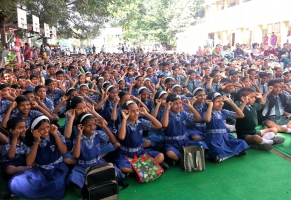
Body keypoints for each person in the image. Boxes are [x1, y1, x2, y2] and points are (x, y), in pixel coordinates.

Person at [8, 116, 68, 199]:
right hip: (40, 170)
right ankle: (47, 190)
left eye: (48, 127)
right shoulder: (30, 139)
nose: (46, 131)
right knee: (15, 182)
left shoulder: (55, 134)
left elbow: (64, 151)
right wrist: (36, 142)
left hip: (58, 168)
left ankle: (41, 190)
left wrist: (55, 135)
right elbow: (29, 163)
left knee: (57, 183)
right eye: (42, 129)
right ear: (34, 131)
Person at [67, 112, 121, 196]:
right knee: (74, 178)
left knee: (116, 171)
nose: (92, 128)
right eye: (88, 126)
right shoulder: (78, 138)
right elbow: (76, 155)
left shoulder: (98, 134)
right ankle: (96, 183)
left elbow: (114, 141)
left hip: (98, 162)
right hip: (82, 166)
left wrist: (104, 126)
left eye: (94, 125)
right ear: (81, 127)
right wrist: (79, 135)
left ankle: (93, 183)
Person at [114, 100, 168, 173]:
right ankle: (149, 167)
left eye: (137, 110)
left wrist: (146, 114)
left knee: (160, 156)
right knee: (123, 166)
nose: (136, 113)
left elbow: (159, 125)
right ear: (126, 112)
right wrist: (124, 118)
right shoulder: (123, 124)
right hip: (125, 153)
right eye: (132, 111)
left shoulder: (140, 122)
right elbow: (121, 137)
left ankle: (138, 171)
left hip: (139, 152)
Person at [161, 94, 208, 164]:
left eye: (180, 103)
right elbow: (164, 125)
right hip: (171, 143)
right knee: (170, 153)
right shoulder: (166, 115)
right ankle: (184, 159)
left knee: (201, 144)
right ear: (169, 105)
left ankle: (178, 159)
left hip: (184, 141)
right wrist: (167, 109)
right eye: (175, 104)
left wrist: (190, 106)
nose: (179, 105)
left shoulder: (183, 114)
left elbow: (198, 119)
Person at [204, 92, 249, 163]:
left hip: (225, 137)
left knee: (242, 142)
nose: (221, 103)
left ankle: (222, 157)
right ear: (211, 102)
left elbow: (241, 115)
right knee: (217, 149)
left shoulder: (223, 112)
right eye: (218, 101)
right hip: (214, 139)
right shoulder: (208, 112)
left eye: (222, 101)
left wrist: (231, 102)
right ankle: (232, 154)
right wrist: (210, 106)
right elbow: (207, 119)